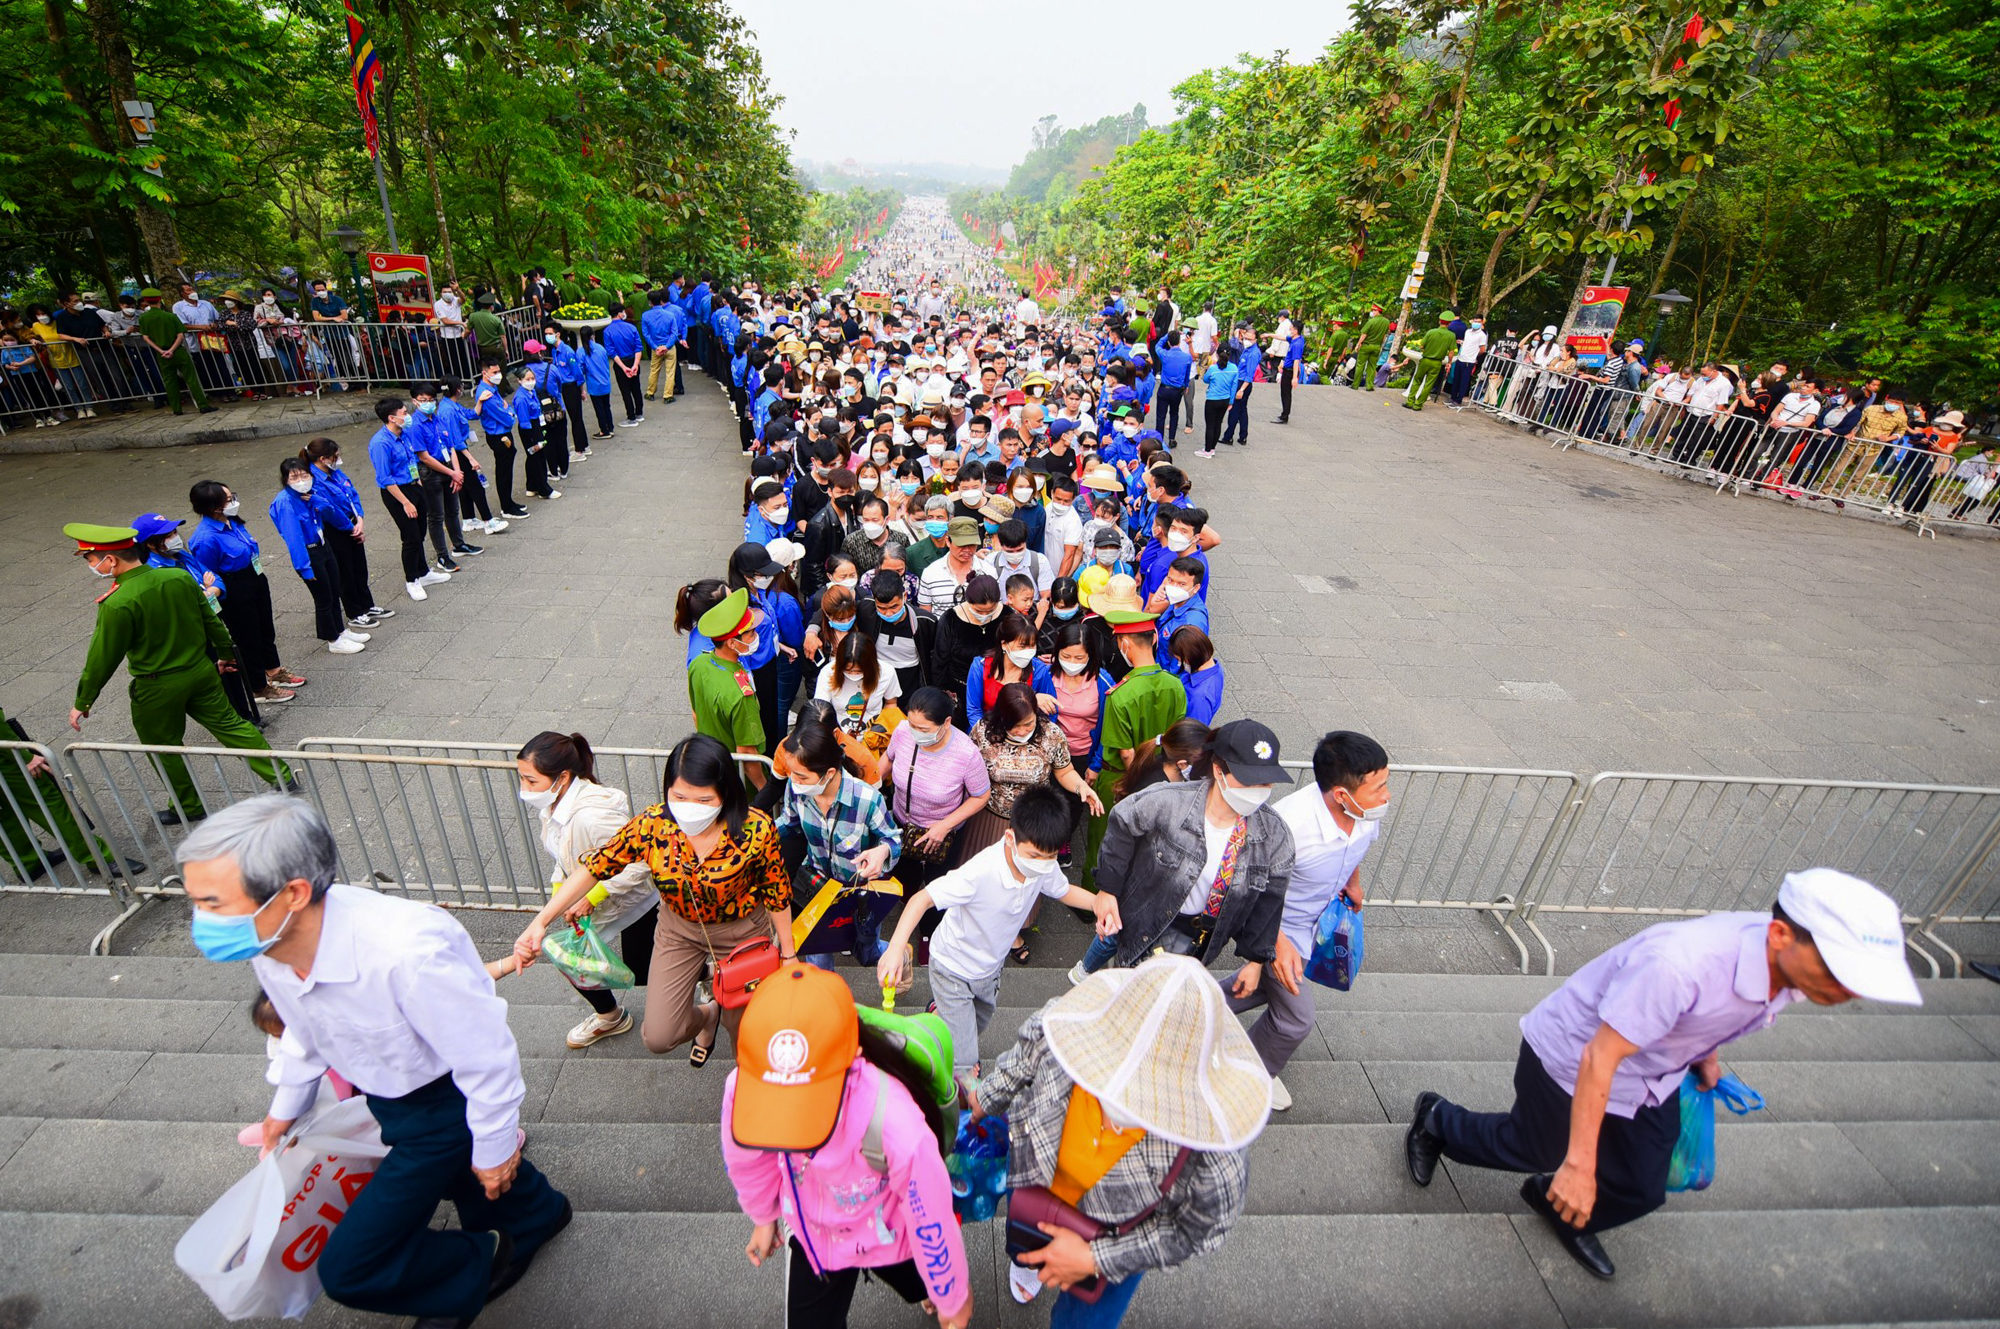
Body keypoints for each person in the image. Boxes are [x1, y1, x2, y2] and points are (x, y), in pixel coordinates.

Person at [1408, 869, 1921, 1281]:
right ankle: (1436, 1120)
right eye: (1839, 972)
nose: (1847, 991)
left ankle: (1558, 1206)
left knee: (1642, 1186)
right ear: (1782, 934)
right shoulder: (1681, 965)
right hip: (1572, 1059)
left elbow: (1713, 1015)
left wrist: (1706, 1056)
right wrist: (1579, 1167)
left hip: (1654, 1075)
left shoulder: (1785, 964)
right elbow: (1598, 1058)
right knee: (1536, 1150)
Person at [178, 796, 572, 1325]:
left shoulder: (406, 953)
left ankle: (482, 1258)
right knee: (472, 1180)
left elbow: (486, 1056)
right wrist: (286, 1106)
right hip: (384, 1099)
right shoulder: (271, 944)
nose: (200, 921)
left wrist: (497, 1145)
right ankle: (537, 1212)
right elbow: (305, 1027)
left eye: (213, 903)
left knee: (350, 1267)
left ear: (293, 894)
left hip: (442, 1105)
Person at [968, 954, 1266, 1320]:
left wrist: (1094, 1259)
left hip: (1116, 1237)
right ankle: (1026, 1263)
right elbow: (1023, 1059)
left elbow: (1195, 1232)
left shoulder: (1214, 1155)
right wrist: (985, 1099)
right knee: (1023, 1245)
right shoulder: (1063, 1027)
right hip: (1036, 1184)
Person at [721, 961, 973, 1329]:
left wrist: (950, 1293)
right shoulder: (745, 1088)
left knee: (927, 1282)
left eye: (808, 1097)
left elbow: (930, 1218)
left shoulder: (895, 1120)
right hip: (815, 1235)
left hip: (892, 1231)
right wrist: (763, 1215)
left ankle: (927, 1291)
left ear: (852, 1056)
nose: (792, 1119)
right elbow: (746, 1155)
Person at [518, 733, 793, 1064]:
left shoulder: (756, 830)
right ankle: (707, 1015)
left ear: (725, 794)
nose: (689, 809)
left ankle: (747, 1091)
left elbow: (777, 892)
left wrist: (788, 954)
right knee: (660, 1036)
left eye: (703, 800)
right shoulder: (654, 825)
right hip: (678, 929)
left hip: (741, 932)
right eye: (679, 796)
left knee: (747, 1035)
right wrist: (540, 922)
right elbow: (595, 866)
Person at [65, 523, 293, 821]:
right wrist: (225, 655)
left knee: (164, 747)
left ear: (110, 560)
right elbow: (211, 620)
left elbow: (102, 657)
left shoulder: (117, 602)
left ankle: (189, 806)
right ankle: (282, 774)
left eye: (91, 559)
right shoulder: (177, 577)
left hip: (157, 686)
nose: (92, 565)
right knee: (231, 724)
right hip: (201, 670)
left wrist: (84, 701)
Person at [877, 783, 1100, 1076]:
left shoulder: (1043, 865)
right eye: (1034, 856)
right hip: (953, 966)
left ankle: (941, 1016)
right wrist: (894, 949)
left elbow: (1062, 889)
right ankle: (961, 1093)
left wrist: (1099, 904)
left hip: (990, 967)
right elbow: (921, 899)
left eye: (1050, 857)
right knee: (964, 1062)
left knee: (980, 1021)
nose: (1043, 865)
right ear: (1010, 838)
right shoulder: (980, 872)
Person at [500, 732, 660, 1048]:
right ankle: (610, 1016)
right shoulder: (556, 804)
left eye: (531, 781)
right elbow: (566, 857)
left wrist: (589, 897)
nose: (525, 790)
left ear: (562, 777)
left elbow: (638, 863)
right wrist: (564, 896)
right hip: (595, 905)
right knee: (572, 960)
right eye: (522, 779)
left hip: (632, 904)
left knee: (652, 971)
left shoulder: (592, 815)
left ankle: (710, 978)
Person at [1080, 583, 1187, 889]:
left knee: (1103, 841)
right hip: (1163, 777)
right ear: (1154, 638)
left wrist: (1136, 788)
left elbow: (1125, 752)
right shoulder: (1175, 686)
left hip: (1121, 780)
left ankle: (1091, 902)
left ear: (1124, 644)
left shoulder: (1119, 695)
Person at [774, 719, 901, 964]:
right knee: (818, 960)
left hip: (858, 893)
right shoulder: (796, 788)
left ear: (829, 772)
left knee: (868, 951)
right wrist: (756, 833)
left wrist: (882, 851)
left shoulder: (867, 799)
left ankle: (897, 953)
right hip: (818, 888)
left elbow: (893, 838)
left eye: (801, 776)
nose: (793, 780)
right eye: (792, 774)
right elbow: (788, 823)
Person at [186, 481, 302, 704]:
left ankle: (274, 669)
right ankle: (258, 686)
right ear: (213, 506)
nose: (233, 502)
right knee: (248, 636)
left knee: (265, 627)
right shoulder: (205, 538)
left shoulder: (232, 521)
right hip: (234, 587)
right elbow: (208, 572)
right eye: (228, 500)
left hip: (254, 575)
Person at [880, 687, 991, 894]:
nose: (915, 732)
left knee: (936, 887)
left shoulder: (966, 753)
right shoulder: (903, 731)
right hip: (901, 824)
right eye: (912, 725)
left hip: (942, 833)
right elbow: (888, 757)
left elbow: (981, 795)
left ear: (946, 723)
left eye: (923, 729)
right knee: (903, 881)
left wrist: (945, 826)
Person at [268, 457, 366, 656]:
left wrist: (317, 500)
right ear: (286, 479)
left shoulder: (311, 493)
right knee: (323, 597)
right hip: (309, 552)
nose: (301, 480)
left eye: (304, 475)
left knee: (335, 589)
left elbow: (332, 513)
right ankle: (333, 639)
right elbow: (293, 538)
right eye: (295, 477)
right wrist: (304, 567)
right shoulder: (285, 502)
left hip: (324, 546)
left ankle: (340, 630)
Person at [301, 438, 392, 632]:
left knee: (360, 567)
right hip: (335, 529)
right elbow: (330, 510)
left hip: (352, 523)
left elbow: (352, 494)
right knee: (345, 571)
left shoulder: (335, 472)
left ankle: (367, 604)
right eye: (335, 456)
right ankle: (354, 612)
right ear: (322, 458)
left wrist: (360, 519)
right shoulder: (314, 481)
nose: (338, 458)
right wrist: (351, 528)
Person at [368, 396, 450, 602]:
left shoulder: (404, 434)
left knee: (420, 531)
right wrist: (405, 502)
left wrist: (419, 488)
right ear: (392, 418)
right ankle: (412, 580)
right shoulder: (380, 443)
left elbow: (412, 461)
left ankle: (423, 571)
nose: (408, 415)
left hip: (414, 486)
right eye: (404, 413)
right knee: (411, 536)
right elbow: (384, 478)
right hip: (397, 492)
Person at [688, 587, 769, 789]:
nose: (755, 635)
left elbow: (696, 713)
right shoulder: (741, 695)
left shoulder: (699, 664)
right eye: (750, 633)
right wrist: (764, 790)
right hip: (740, 780)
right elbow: (747, 754)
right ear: (732, 643)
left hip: (712, 764)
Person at [965, 609, 1056, 730]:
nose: (1028, 651)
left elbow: (1050, 714)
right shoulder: (980, 667)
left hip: (1026, 734)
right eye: (1022, 646)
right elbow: (974, 710)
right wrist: (988, 736)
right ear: (1004, 644)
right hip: (988, 732)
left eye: (1032, 645)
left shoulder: (1039, 670)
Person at [1168, 626, 1224, 725]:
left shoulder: (1200, 698)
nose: (1179, 663)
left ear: (1190, 657)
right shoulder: (1214, 668)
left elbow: (1193, 733)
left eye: (1179, 659)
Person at [1403, 311, 1458, 411]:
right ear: (1449, 323)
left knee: (1417, 381)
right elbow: (1451, 352)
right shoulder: (1451, 336)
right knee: (1428, 384)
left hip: (1425, 360)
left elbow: (1422, 346)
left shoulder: (1431, 332)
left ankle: (1410, 401)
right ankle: (1418, 405)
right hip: (1437, 363)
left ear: (1439, 321)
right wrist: (1449, 363)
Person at [602, 303, 646, 424]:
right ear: (620, 313)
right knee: (636, 387)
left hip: (620, 362)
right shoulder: (631, 328)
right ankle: (639, 413)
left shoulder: (607, 331)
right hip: (633, 359)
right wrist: (635, 365)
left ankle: (631, 416)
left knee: (625, 390)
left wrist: (623, 367)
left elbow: (611, 352)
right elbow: (638, 347)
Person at [1198, 345, 1239, 459]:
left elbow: (1205, 380)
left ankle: (1207, 450)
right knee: (1218, 424)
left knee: (1210, 425)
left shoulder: (1213, 368)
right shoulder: (1234, 368)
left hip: (1212, 399)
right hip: (1225, 400)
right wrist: (1231, 401)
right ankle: (1212, 448)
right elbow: (1234, 386)